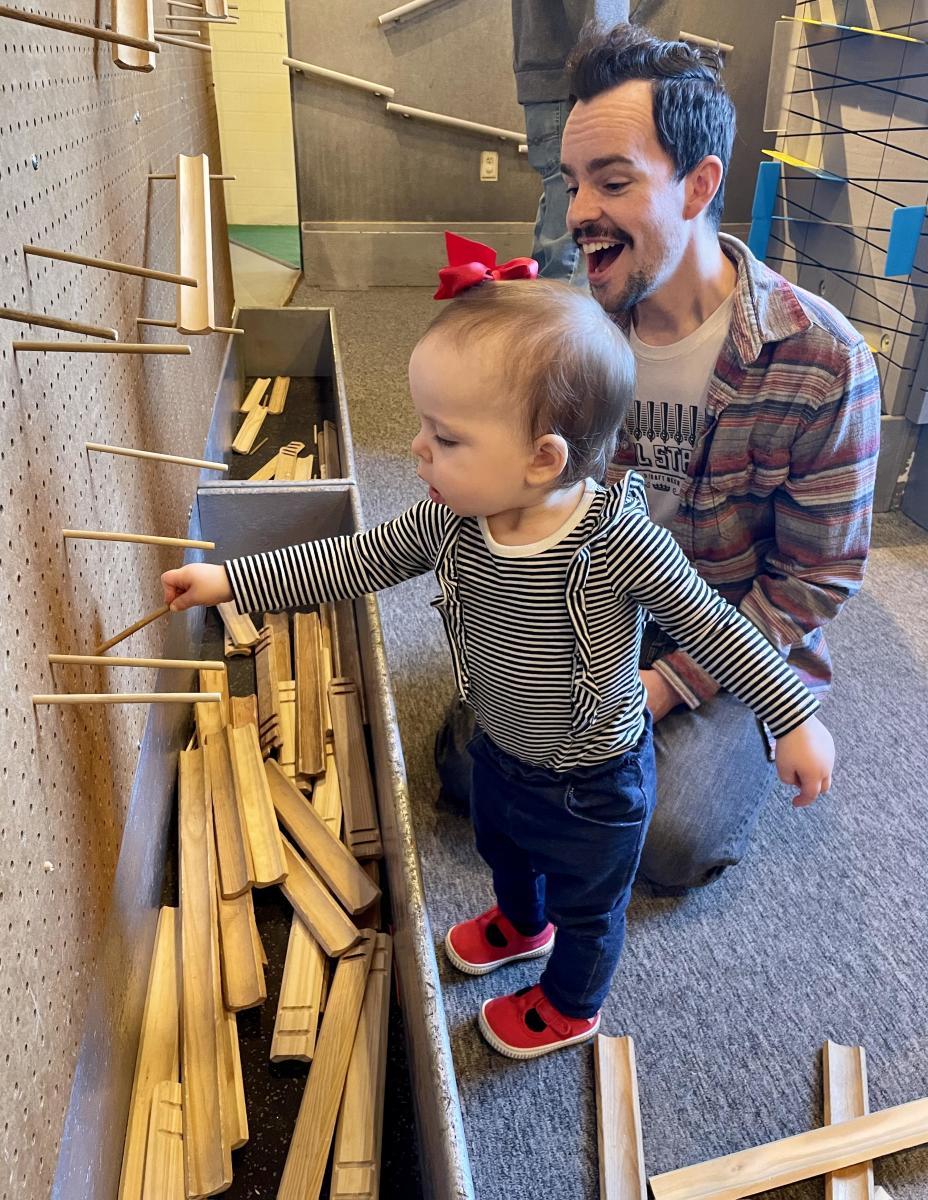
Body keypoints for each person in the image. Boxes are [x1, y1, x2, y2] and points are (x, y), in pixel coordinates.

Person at [161, 255, 834, 1059]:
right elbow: (351, 561)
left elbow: (719, 629)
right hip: (504, 745)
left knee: (590, 905)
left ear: (542, 458)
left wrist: (792, 719)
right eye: (424, 427)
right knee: (503, 846)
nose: (416, 450)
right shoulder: (451, 518)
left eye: (445, 437)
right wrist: (232, 581)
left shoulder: (617, 541)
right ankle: (521, 924)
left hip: (596, 780)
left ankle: (572, 1000)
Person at [439, 23, 881, 895]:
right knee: (468, 758)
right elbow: (537, 494)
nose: (577, 213)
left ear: (698, 185)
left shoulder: (822, 360)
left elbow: (814, 581)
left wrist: (669, 684)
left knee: (668, 836)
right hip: (602, 604)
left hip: (735, 626)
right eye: (572, 184)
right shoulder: (576, 336)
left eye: (612, 181)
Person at [511, 0, 629, 282]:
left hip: (551, 74)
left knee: (560, 202)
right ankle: (564, 325)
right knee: (576, 228)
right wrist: (609, 75)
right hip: (588, 77)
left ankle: (549, 319)